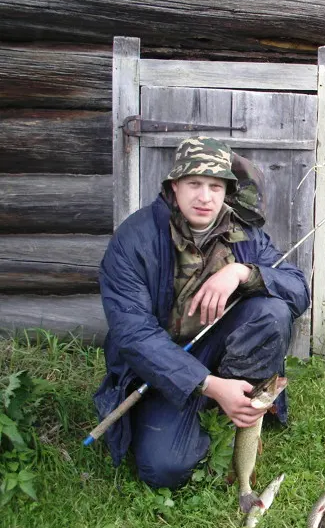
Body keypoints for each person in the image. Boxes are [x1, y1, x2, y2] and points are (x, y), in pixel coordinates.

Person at [93, 136, 310, 489]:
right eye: (194, 183)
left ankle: (241, 411)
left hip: (217, 346)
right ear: (174, 187)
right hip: (161, 366)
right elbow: (134, 335)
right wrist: (208, 385)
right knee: (163, 471)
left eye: (214, 185)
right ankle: (216, 399)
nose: (205, 197)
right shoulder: (133, 240)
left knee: (271, 310)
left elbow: (298, 291)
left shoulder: (246, 234)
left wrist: (244, 273)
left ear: (227, 190)